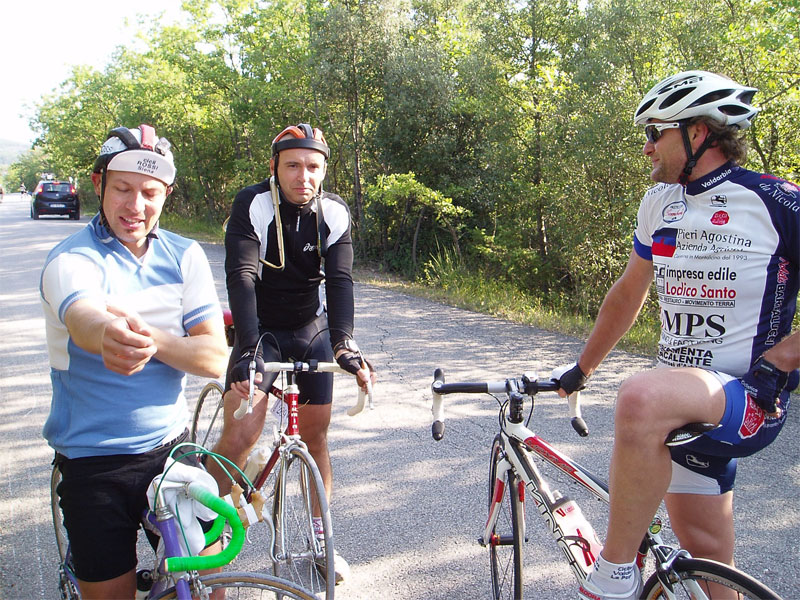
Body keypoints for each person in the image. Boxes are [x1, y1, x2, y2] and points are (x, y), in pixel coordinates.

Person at [559, 71, 800, 600]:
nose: (646, 148)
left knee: (641, 396)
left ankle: (615, 572)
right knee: (710, 558)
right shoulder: (659, 204)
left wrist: (784, 357)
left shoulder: (777, 201)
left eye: (655, 133)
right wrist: (583, 367)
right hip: (684, 403)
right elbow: (628, 293)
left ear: (698, 133)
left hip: (748, 398)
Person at [40, 124, 229, 599]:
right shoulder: (72, 259)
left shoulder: (185, 256)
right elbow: (84, 317)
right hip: (93, 463)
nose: (135, 206)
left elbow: (212, 356)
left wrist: (150, 340)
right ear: (98, 183)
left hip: (170, 453)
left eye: (150, 192)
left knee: (211, 587)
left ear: (166, 194)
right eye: (123, 189)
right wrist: (108, 335)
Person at [212, 122, 376, 584]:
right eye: (292, 166)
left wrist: (343, 341)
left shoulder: (333, 212)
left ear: (324, 169)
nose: (303, 175)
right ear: (274, 167)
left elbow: (340, 281)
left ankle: (323, 542)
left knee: (317, 438)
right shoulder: (254, 203)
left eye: (312, 166)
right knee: (242, 434)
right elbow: (242, 275)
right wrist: (247, 349)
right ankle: (196, 525)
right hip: (260, 330)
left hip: (309, 327)